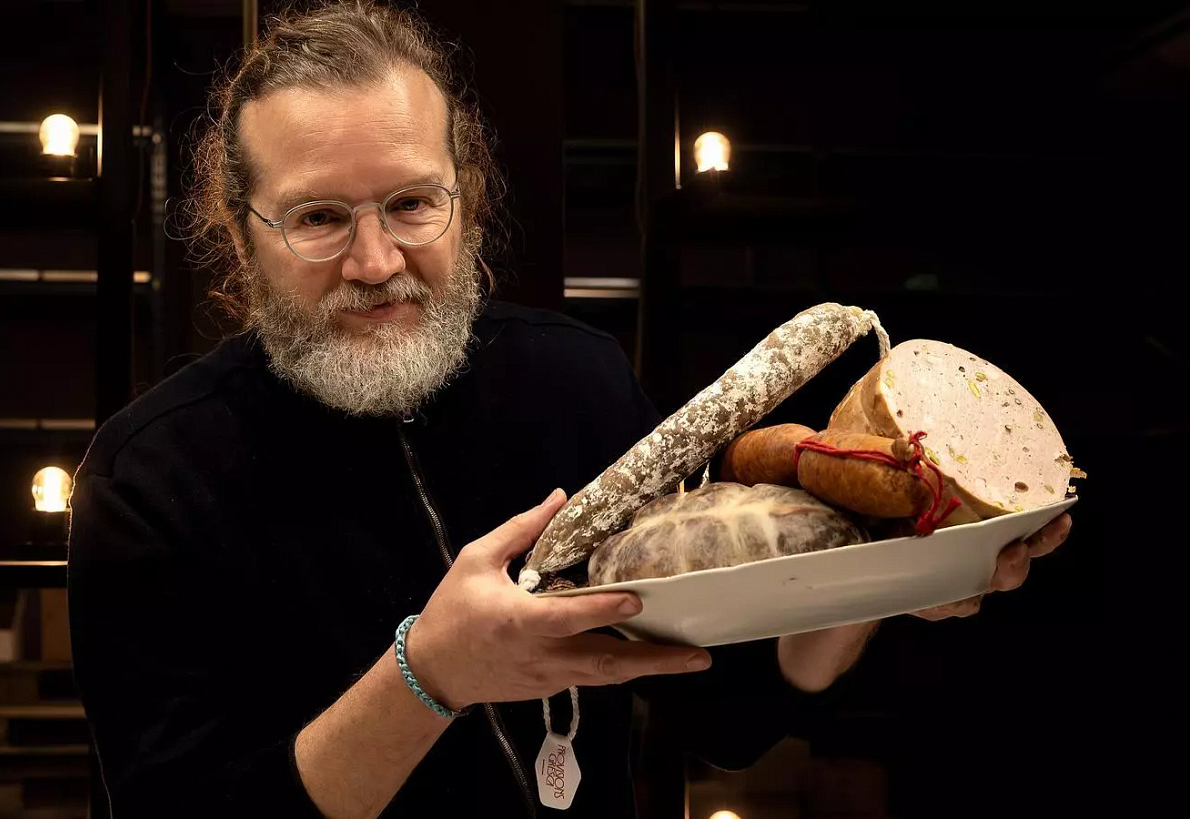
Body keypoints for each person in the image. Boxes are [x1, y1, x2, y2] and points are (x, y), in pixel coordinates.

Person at [66, 3, 1072, 817]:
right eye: (319, 217)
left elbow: (727, 708)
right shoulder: (150, 474)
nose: (375, 262)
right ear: (239, 231)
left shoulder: (573, 379)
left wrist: (880, 579)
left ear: (465, 195)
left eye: (412, 204)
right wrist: (429, 676)